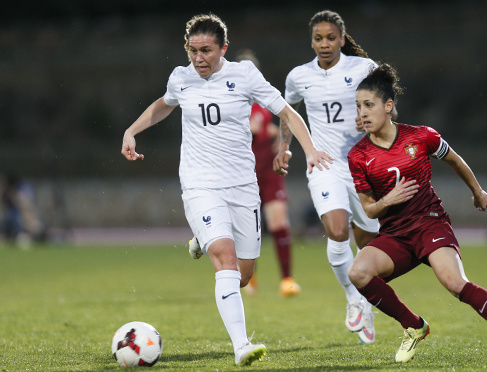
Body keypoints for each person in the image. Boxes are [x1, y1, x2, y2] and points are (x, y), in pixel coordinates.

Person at [121, 13, 333, 366]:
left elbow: (287, 111)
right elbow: (164, 104)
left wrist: (309, 150)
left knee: (245, 273)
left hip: (242, 186)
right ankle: (241, 346)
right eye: (192, 50)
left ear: (224, 49)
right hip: (200, 183)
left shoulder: (244, 75)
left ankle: (201, 240)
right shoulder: (181, 77)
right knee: (225, 257)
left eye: (206, 50)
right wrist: (132, 130)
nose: (198, 58)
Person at [346, 63, 487, 363]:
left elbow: (456, 160)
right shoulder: (358, 155)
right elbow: (369, 209)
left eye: (368, 105)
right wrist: (389, 200)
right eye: (358, 106)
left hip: (429, 225)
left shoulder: (421, 136)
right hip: (395, 235)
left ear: (388, 106)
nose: (362, 113)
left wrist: (477, 192)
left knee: (454, 283)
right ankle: (413, 326)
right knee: (358, 272)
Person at [274, 10, 379, 344]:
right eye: (318, 38)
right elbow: (288, 114)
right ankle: (352, 298)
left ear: (342, 40)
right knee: (336, 232)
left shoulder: (363, 69)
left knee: (368, 243)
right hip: (324, 166)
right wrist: (284, 148)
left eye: (331, 38)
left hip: (363, 166)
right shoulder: (298, 77)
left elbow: (388, 109)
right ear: (312, 41)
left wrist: (373, 123)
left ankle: (367, 302)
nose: (324, 44)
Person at [235, 49, 301, 297]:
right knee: (249, 227)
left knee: (279, 222)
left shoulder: (262, 100)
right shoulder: (230, 102)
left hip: (269, 172)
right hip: (244, 174)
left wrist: (275, 135)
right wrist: (252, 128)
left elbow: (268, 124)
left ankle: (287, 280)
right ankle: (250, 278)